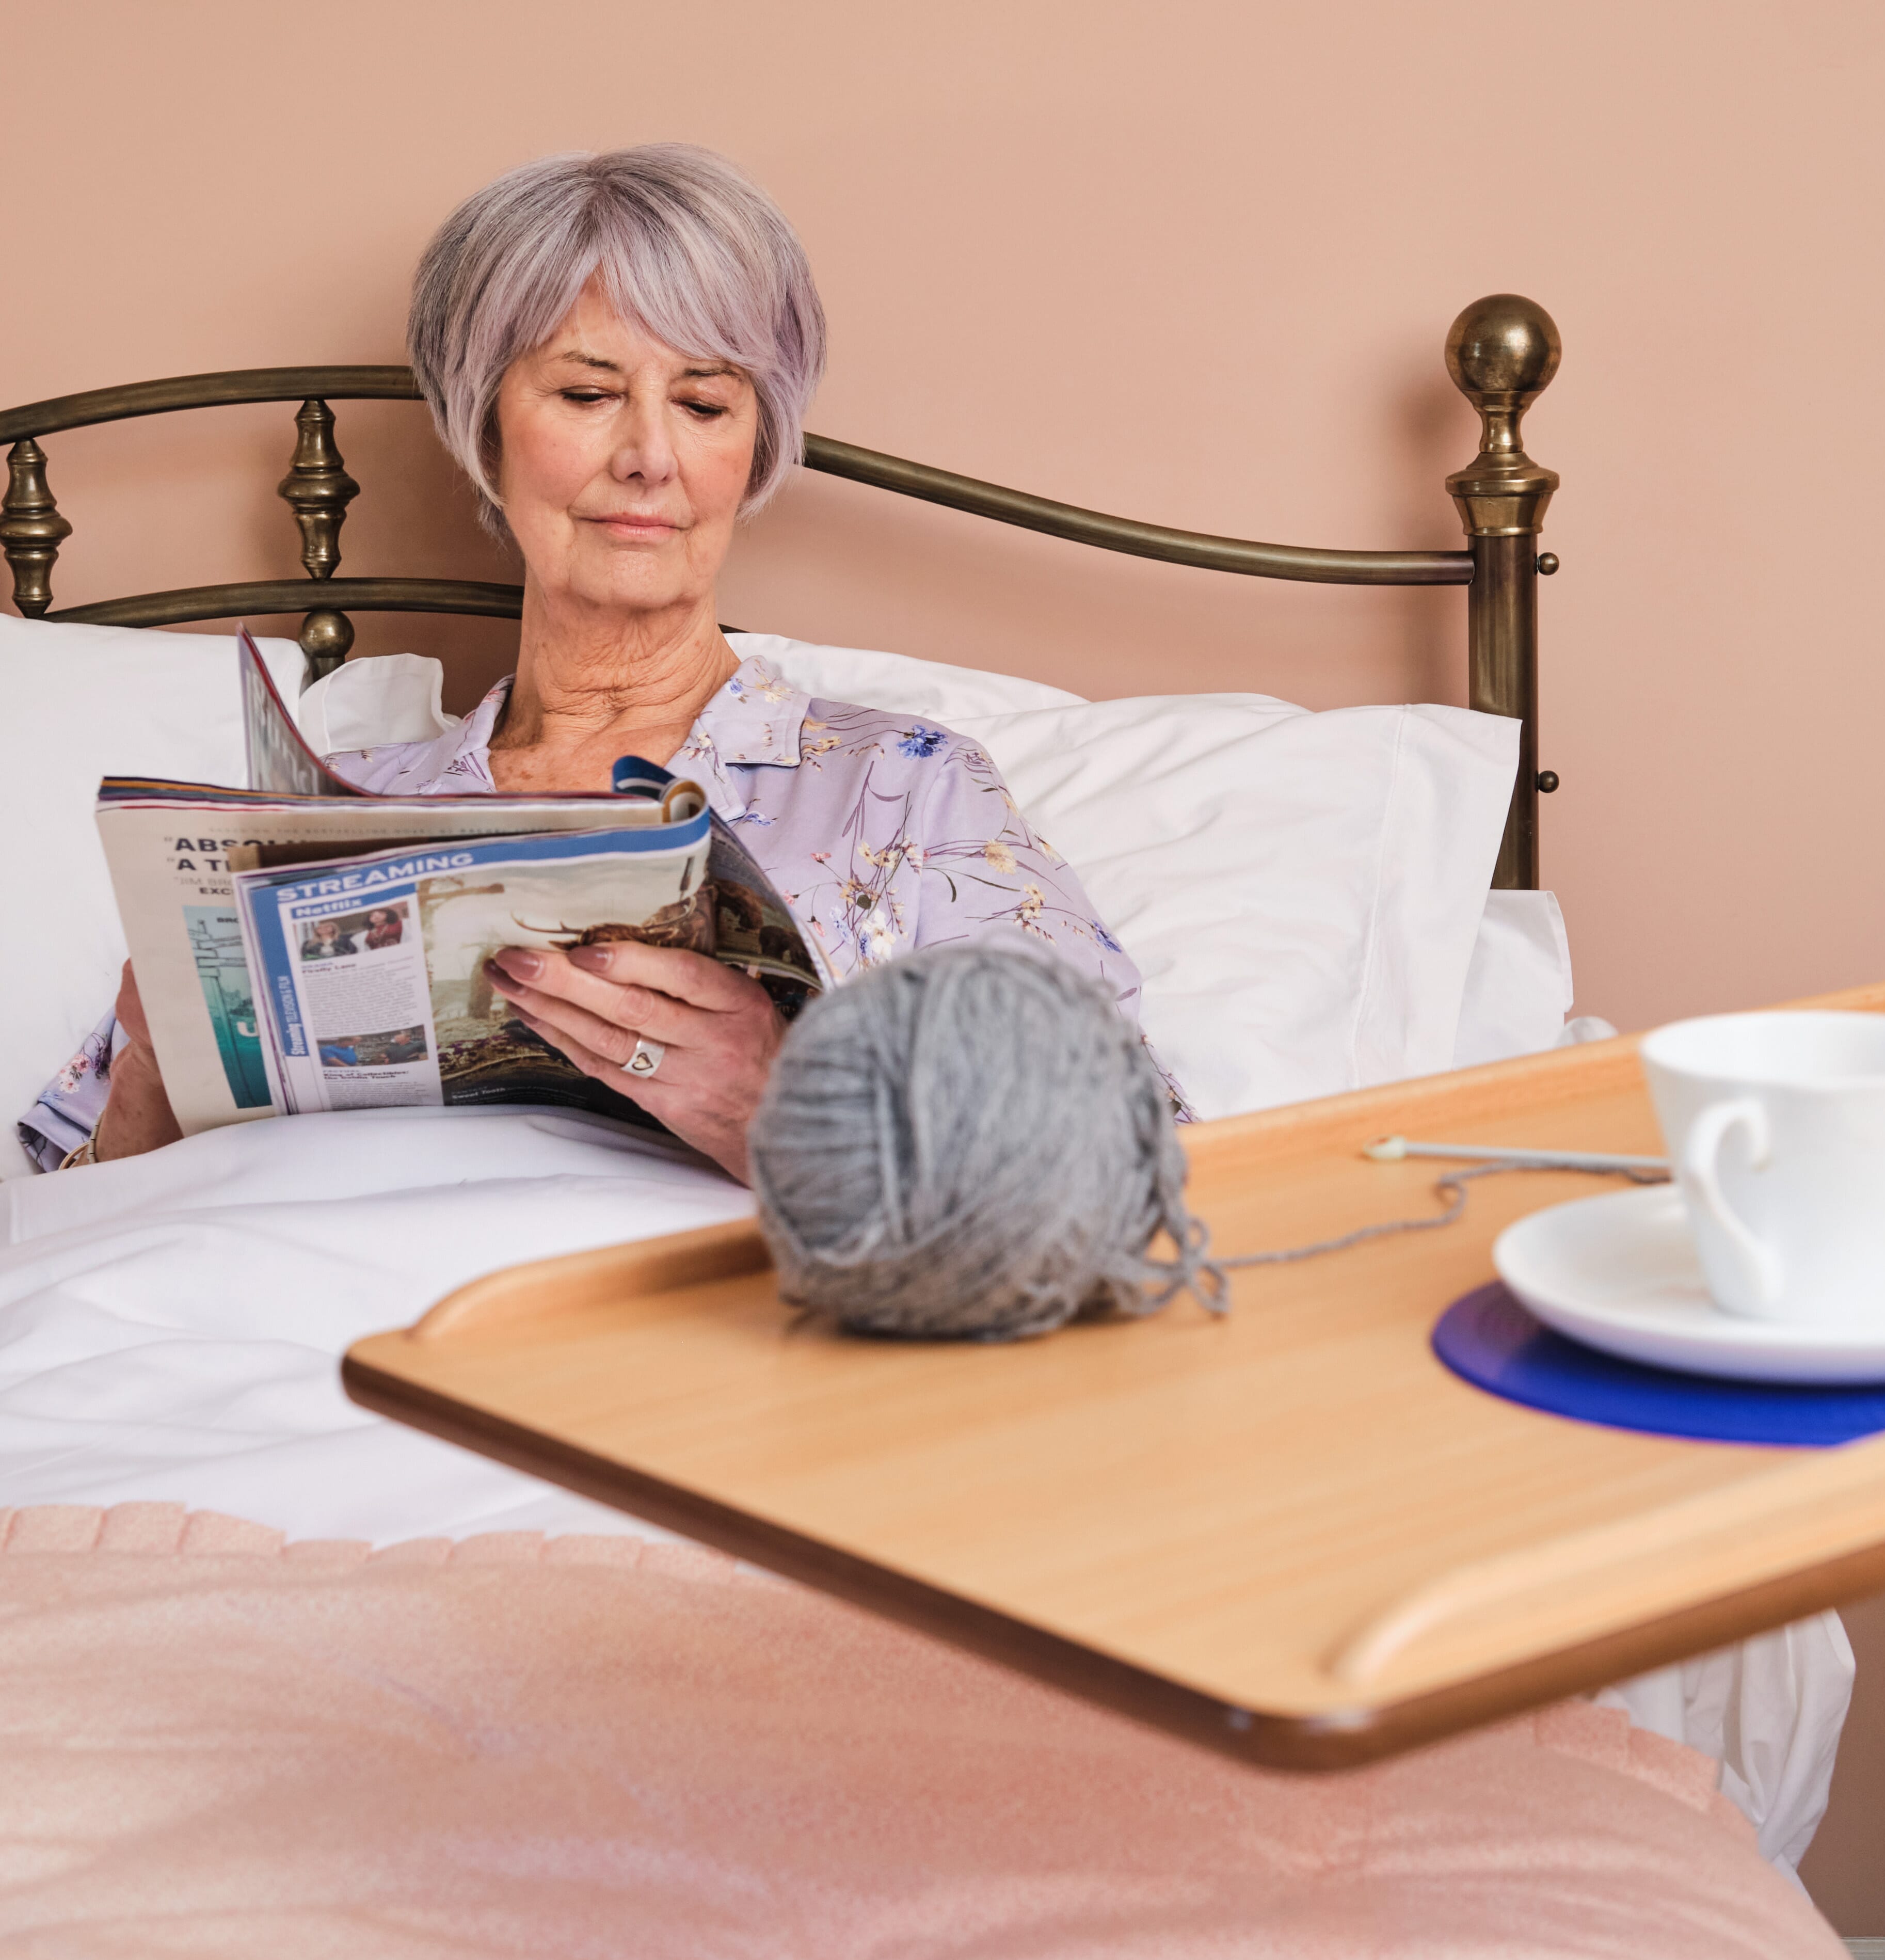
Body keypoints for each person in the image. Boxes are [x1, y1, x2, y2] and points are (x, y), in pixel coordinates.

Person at [20, 145, 1162, 1182]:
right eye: (587, 393)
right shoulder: (316, 820)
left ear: (754, 448)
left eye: (705, 403)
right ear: (485, 429)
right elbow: (62, 1213)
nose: (650, 457)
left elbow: (1136, 1166)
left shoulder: (904, 792)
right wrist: (154, 1077)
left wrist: (786, 1113)